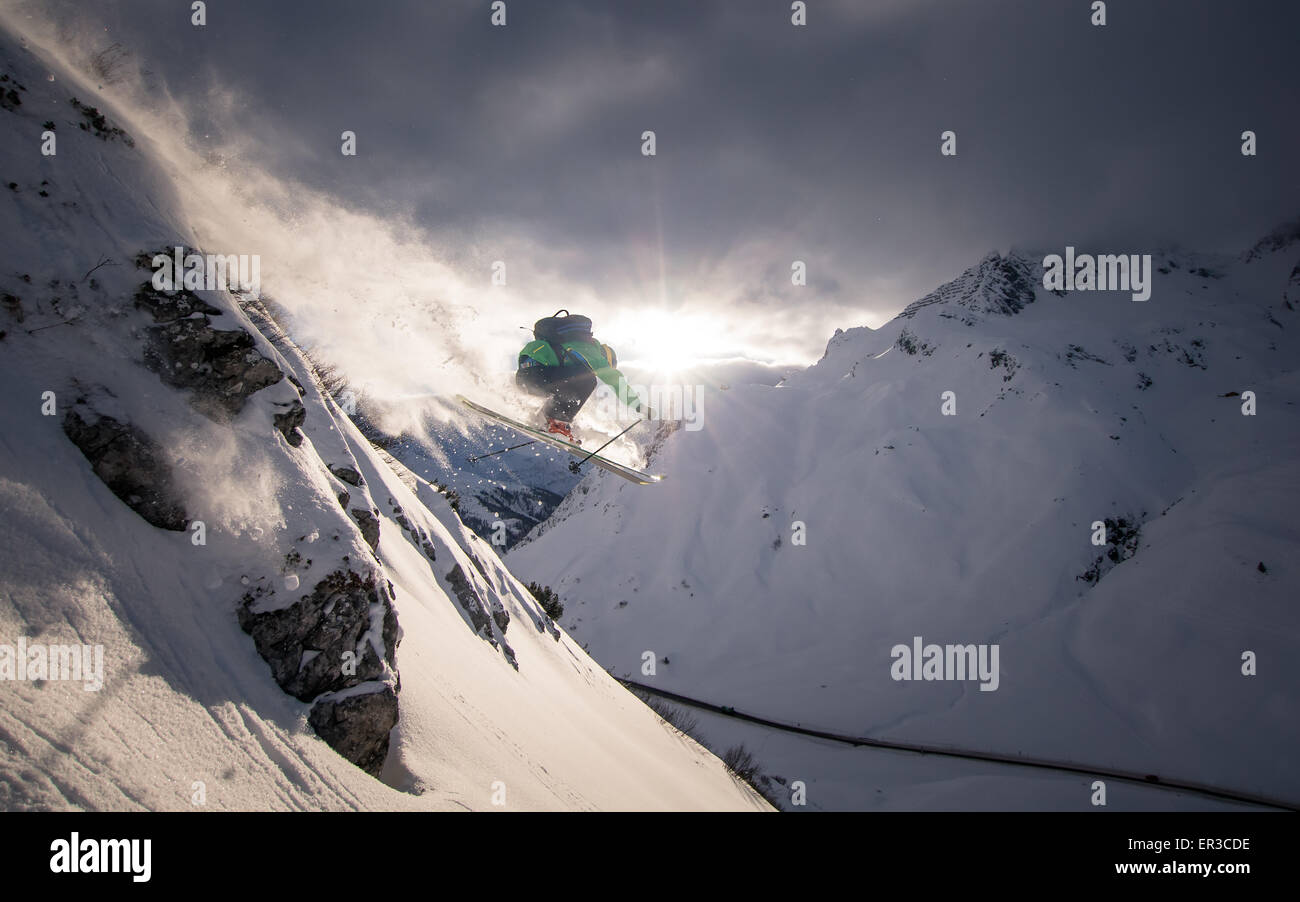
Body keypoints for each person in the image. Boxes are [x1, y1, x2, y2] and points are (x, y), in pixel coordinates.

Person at [516, 309, 651, 442]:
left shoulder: (575, 344)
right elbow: (616, 381)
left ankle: (545, 419)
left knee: (571, 386)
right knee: (588, 380)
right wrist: (639, 406)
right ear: (607, 359)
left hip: (526, 377)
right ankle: (555, 423)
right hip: (537, 376)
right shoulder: (593, 353)